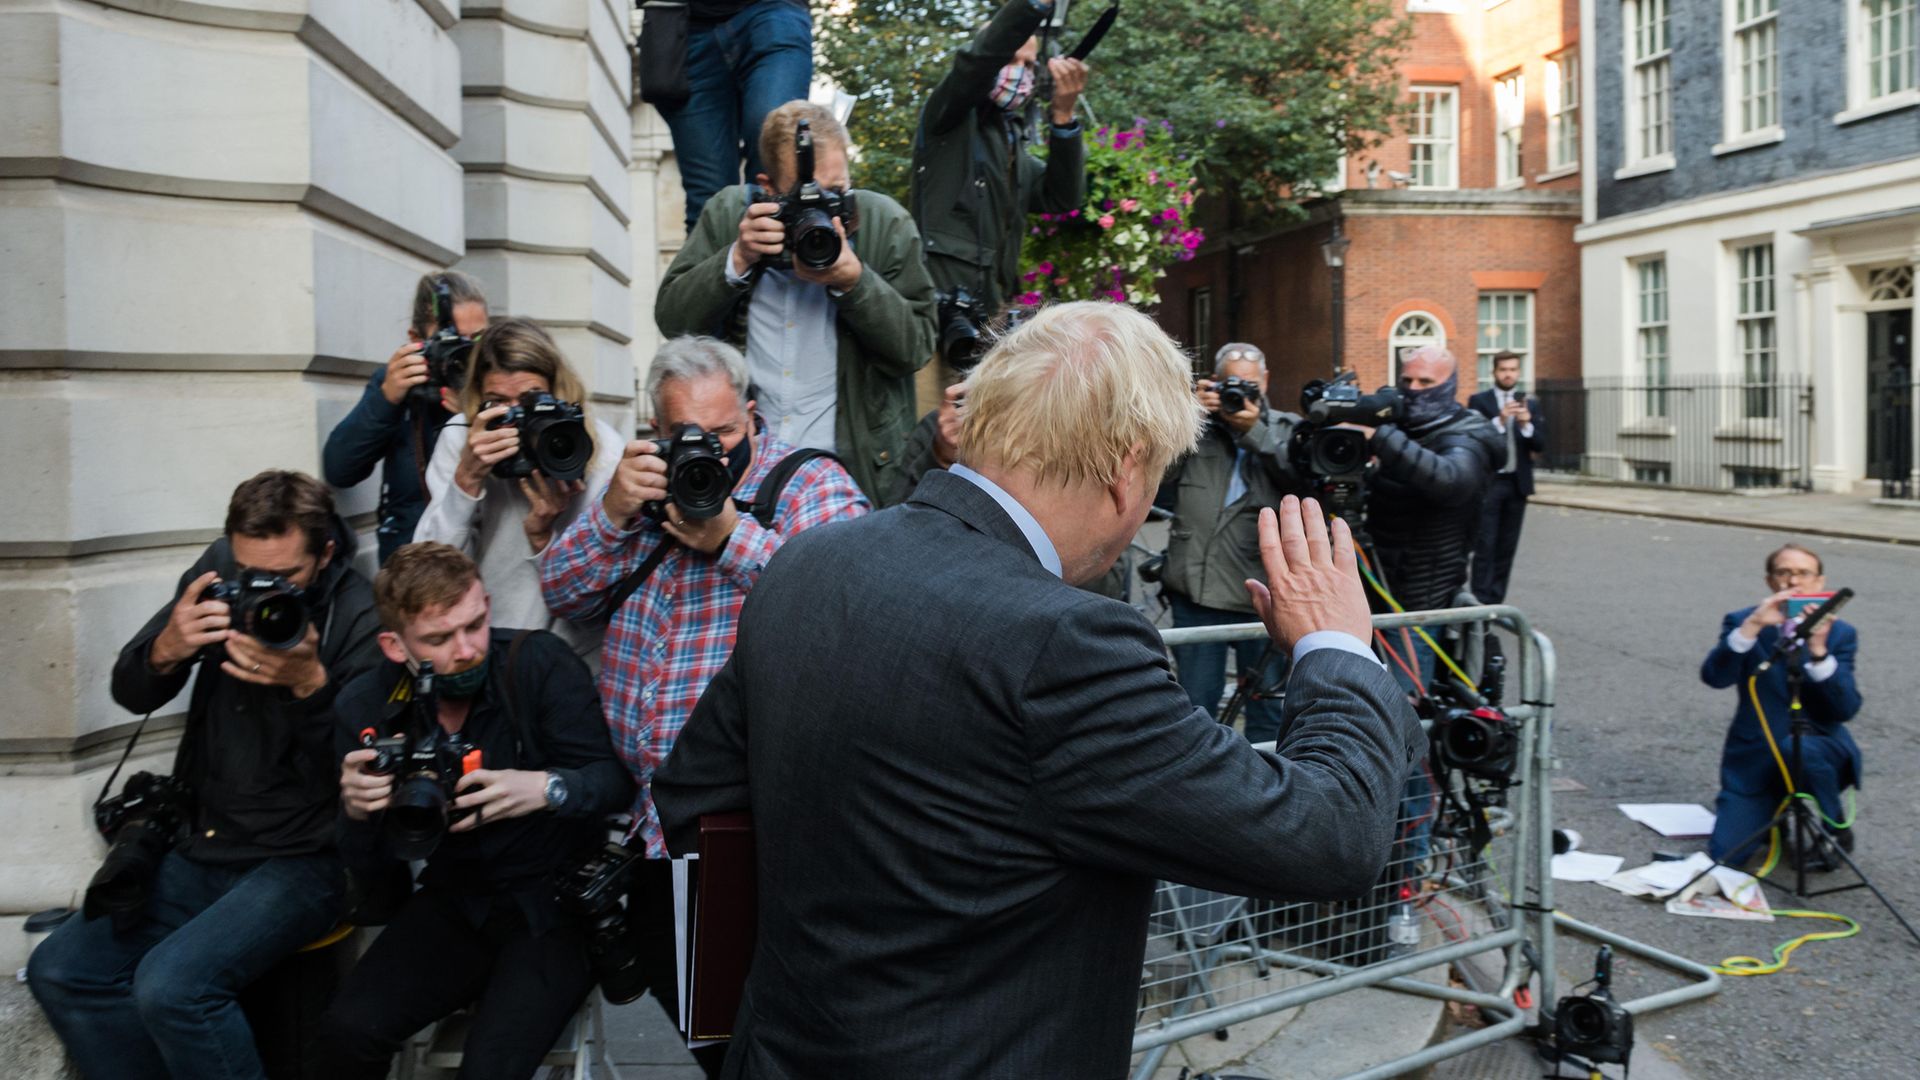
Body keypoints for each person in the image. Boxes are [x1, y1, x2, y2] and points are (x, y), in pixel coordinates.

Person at [652, 302, 1422, 1080]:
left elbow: (692, 795)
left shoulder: (812, 559)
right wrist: (1333, 645)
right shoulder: (1066, 642)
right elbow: (1330, 834)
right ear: (1127, 469)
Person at [539, 336, 867, 1074]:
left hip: (751, 823)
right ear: (654, 429)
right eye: (684, 434)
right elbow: (562, 591)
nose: (707, 453)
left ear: (750, 414)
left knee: (757, 1025)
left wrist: (731, 538)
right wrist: (613, 511)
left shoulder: (806, 484)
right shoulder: (637, 488)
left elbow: (846, 609)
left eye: (721, 434)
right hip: (649, 821)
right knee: (702, 1022)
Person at [28, 471, 381, 1080]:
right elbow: (129, 689)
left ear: (324, 555)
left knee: (173, 987)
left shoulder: (362, 616)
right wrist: (167, 646)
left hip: (308, 858)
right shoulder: (219, 575)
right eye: (250, 571)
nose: (263, 585)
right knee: (62, 969)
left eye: (286, 576)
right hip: (205, 842)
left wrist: (308, 687)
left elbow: (365, 773)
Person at [320, 542, 634, 1079]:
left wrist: (545, 788)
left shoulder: (536, 664)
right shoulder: (367, 706)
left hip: (552, 907)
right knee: (346, 1031)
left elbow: (613, 783)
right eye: (439, 639)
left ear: (486, 604)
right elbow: (370, 878)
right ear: (394, 646)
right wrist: (357, 811)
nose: (466, 650)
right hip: (454, 901)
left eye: (475, 624)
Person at [656, 100, 938, 506]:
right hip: (748, 478)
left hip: (853, 473)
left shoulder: (884, 224)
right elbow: (672, 319)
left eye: (837, 193)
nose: (825, 212)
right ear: (767, 187)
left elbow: (915, 349)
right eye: (806, 197)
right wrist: (737, 258)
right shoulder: (729, 215)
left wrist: (853, 282)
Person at [414, 317, 624, 666]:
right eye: (498, 402)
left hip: (568, 657)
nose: (516, 418)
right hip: (483, 648)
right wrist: (465, 483)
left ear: (558, 393)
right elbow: (427, 575)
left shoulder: (597, 449)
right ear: (478, 398)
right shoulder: (460, 438)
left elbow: (596, 598)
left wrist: (544, 539)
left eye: (530, 400)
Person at [1158, 343, 1303, 744]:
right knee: (1195, 705)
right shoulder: (1196, 425)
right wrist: (1185, 417)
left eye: (1249, 384)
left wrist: (1253, 431)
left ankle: (1262, 789)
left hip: (1265, 595)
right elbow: (1154, 478)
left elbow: (1301, 482)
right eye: (1230, 384)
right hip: (1197, 591)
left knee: (1268, 707)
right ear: (1215, 382)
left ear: (1266, 382)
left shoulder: (1287, 429)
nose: (1239, 393)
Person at [911, 0, 1089, 320]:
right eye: (1010, 58)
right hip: (935, 315)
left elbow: (1062, 196)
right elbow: (976, 64)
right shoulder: (949, 117)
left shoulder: (1010, 140)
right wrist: (1033, 7)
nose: (1020, 71)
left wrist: (1063, 116)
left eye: (1029, 64)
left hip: (988, 316)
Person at [1699, 543, 1862, 870]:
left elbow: (1845, 709)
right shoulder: (1744, 621)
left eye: (1803, 573)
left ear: (1820, 582)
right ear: (1770, 581)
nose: (1793, 582)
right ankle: (1772, 818)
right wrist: (1752, 629)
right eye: (1784, 573)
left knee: (1797, 748)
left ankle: (1834, 826)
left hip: (1818, 749)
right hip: (1756, 754)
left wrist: (1818, 651)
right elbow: (1715, 677)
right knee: (1725, 857)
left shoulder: (1839, 633)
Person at [1357, 345, 1504, 685]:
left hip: (1422, 597)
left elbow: (1451, 480)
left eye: (1426, 381)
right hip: (1377, 586)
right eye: (1407, 380)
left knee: (1406, 704)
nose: (1414, 389)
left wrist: (1380, 438)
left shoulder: (1468, 433)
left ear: (1450, 383)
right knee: (1369, 692)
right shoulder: (1401, 425)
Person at [323, 271, 490, 563]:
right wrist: (386, 399)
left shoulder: (498, 386)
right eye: (455, 340)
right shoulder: (400, 386)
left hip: (478, 561)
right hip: (410, 565)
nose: (467, 353)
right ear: (416, 340)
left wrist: (473, 416)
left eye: (478, 339)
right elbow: (340, 469)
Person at [655, 0, 814, 232]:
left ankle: (774, 264)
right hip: (684, 26)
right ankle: (726, 264)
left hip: (775, 11)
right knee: (710, 205)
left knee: (772, 155)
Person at [1468, 350, 1544, 605]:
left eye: (1513, 369)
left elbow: (1540, 444)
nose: (1508, 374)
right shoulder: (1479, 401)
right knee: (1485, 545)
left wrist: (1526, 425)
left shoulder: (1530, 404)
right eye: (1503, 370)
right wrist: (1500, 420)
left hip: (1517, 483)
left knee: (1506, 548)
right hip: (1491, 483)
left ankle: (1496, 603)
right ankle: (1479, 603)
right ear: (1494, 372)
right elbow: (1476, 439)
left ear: (1518, 372)